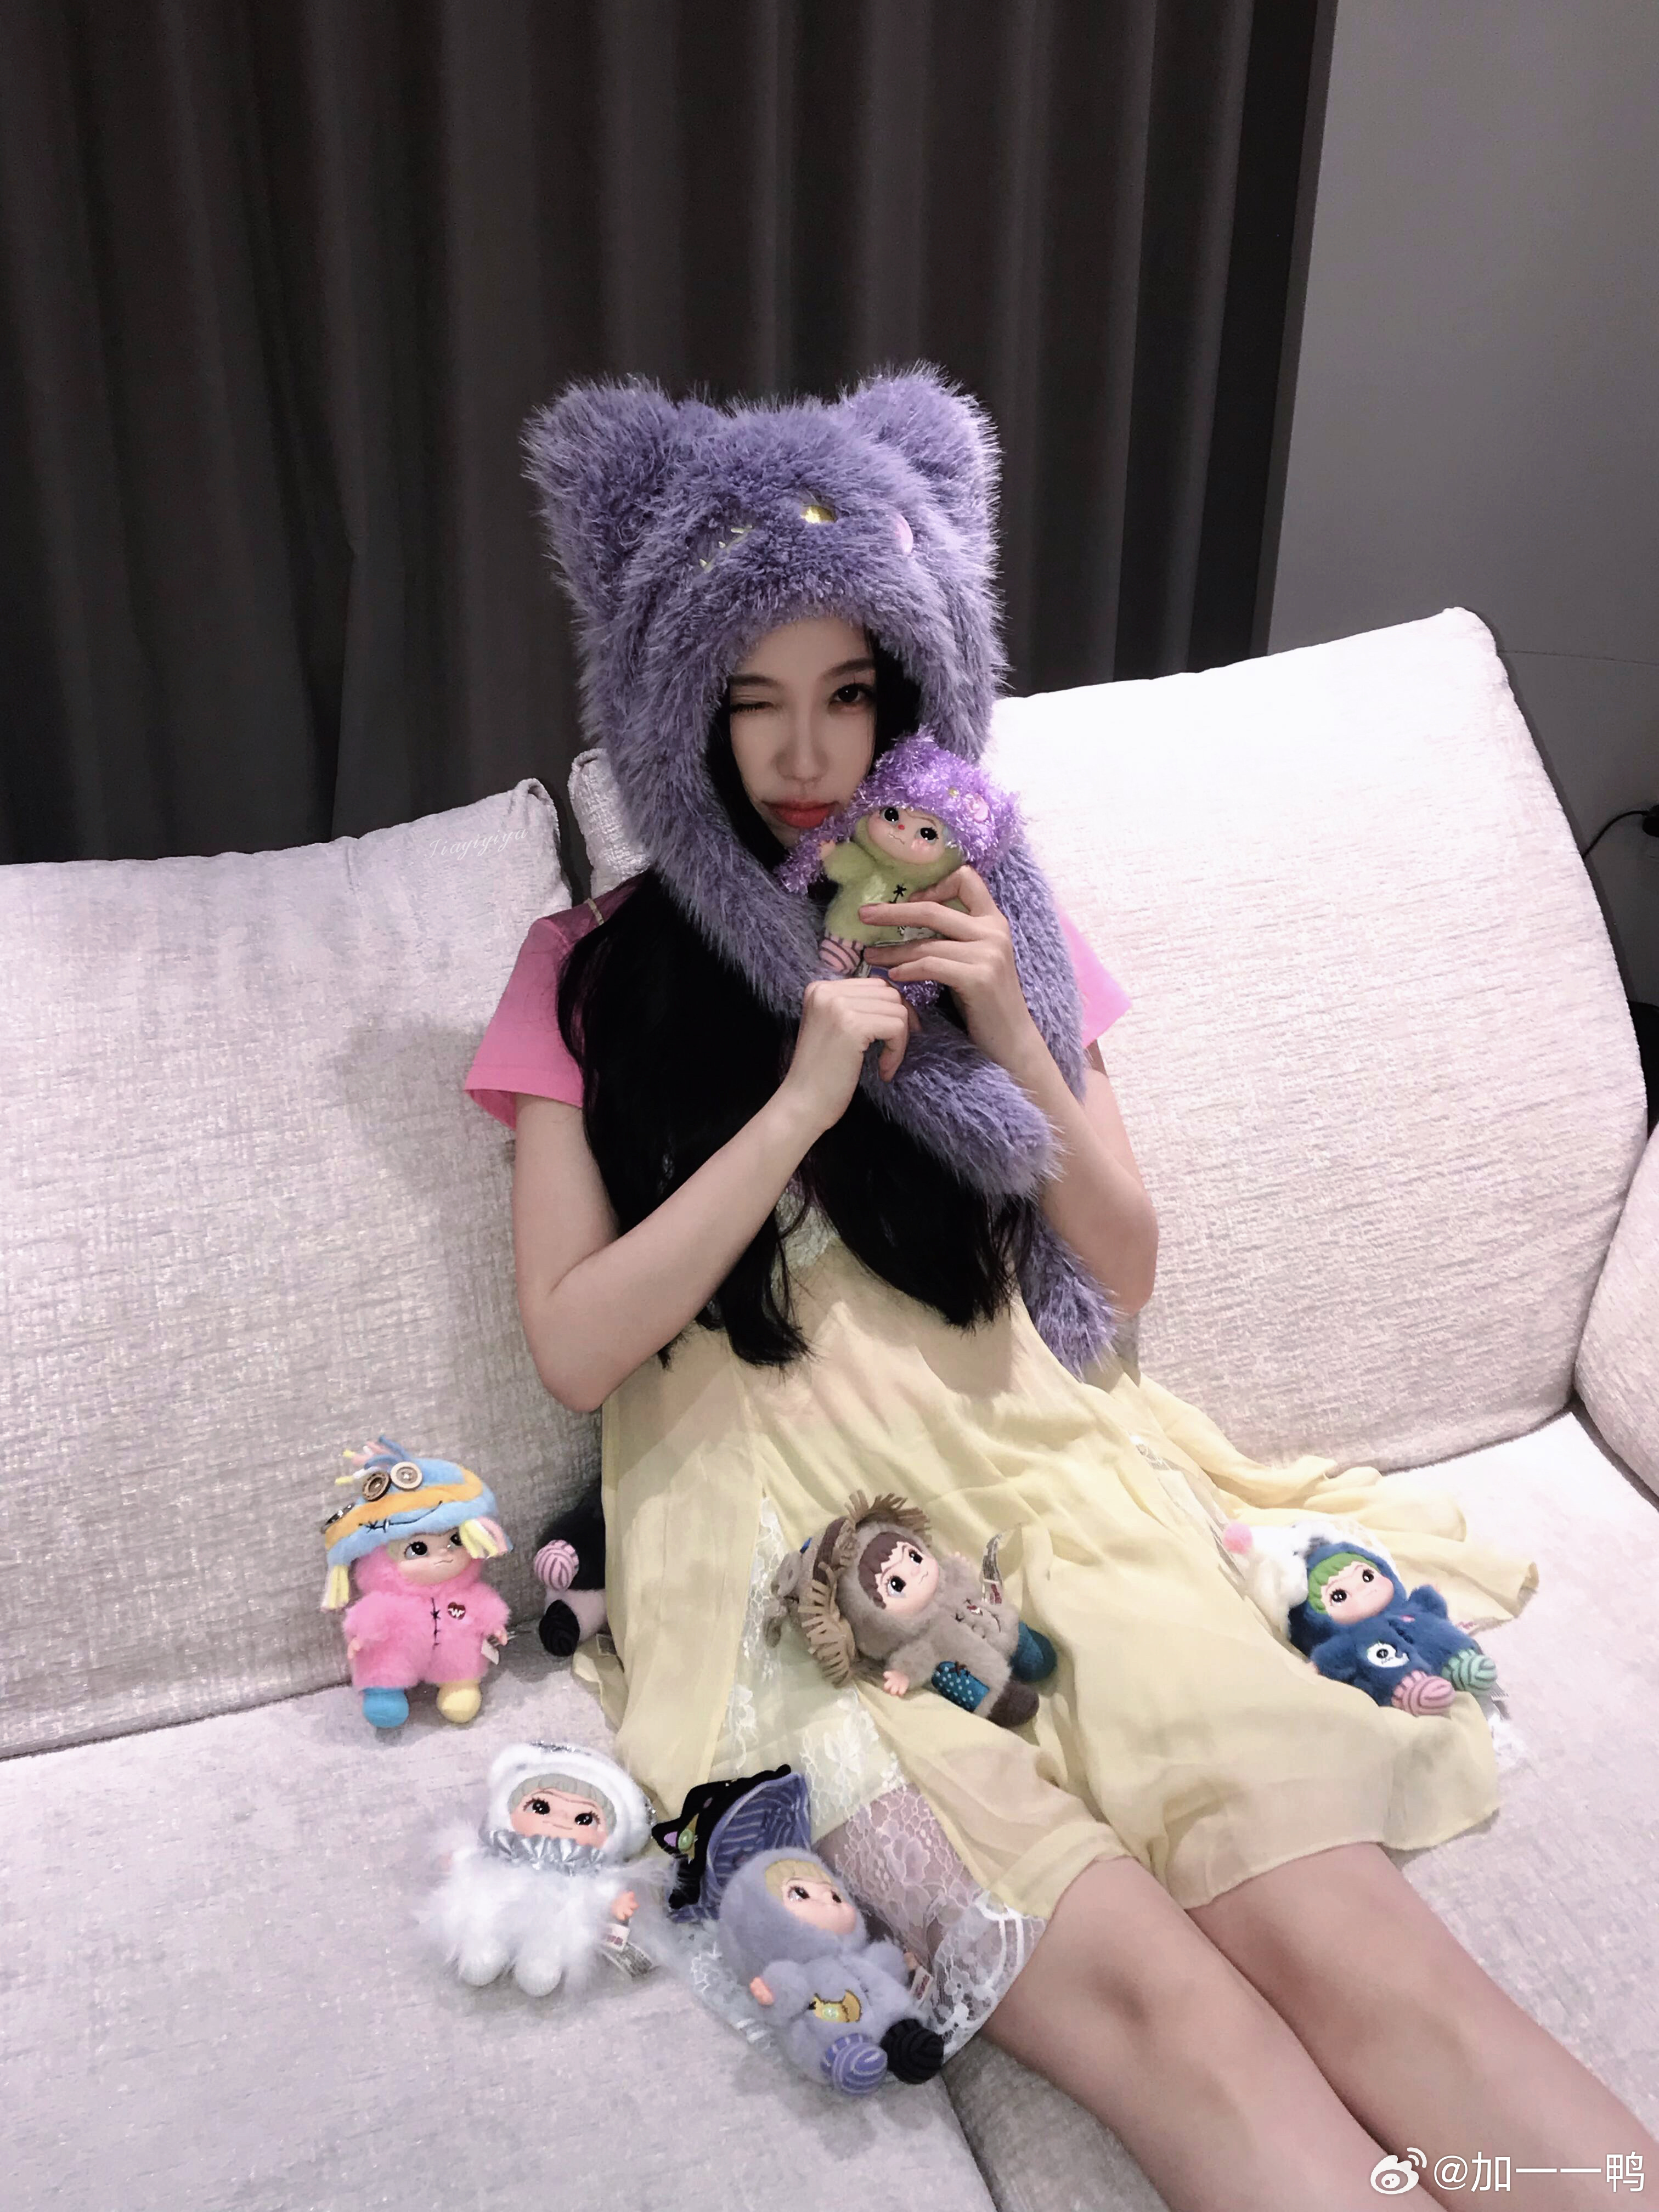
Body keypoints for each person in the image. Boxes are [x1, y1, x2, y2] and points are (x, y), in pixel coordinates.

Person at [465, 371, 1655, 2210]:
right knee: (1184, 2031)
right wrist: (797, 1104)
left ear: (913, 691)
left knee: (1370, 1961)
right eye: (754, 699)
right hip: (788, 1577)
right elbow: (575, 1342)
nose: (807, 754)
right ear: (677, 703)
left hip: (1050, 1486)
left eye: (849, 692)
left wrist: (1010, 1024)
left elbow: (1126, 1257)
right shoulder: (585, 971)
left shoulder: (985, 910)